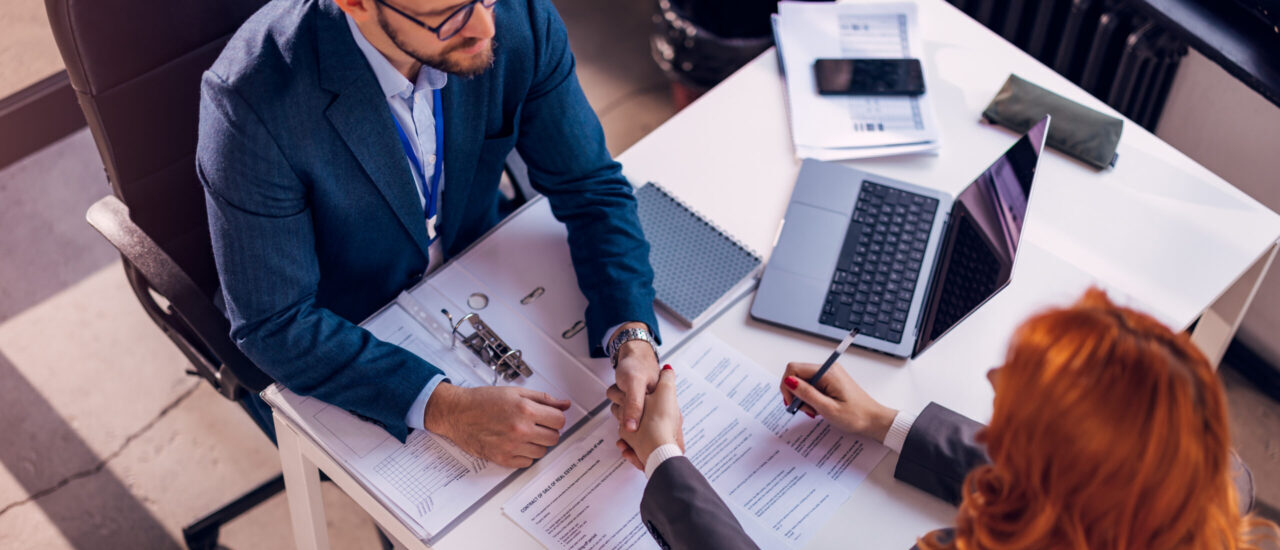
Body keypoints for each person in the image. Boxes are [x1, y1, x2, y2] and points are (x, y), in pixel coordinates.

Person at [198, 0, 663, 467]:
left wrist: (631, 332)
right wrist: (444, 408)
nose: (486, 27)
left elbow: (590, 186)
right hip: (349, 329)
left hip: (477, 273)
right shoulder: (251, 99)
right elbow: (275, 322)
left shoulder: (518, 16)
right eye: (451, 12)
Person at [611, 289, 1278, 549]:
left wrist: (667, 458)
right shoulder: (1212, 484)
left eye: (1018, 386)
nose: (991, 377)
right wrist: (881, 422)